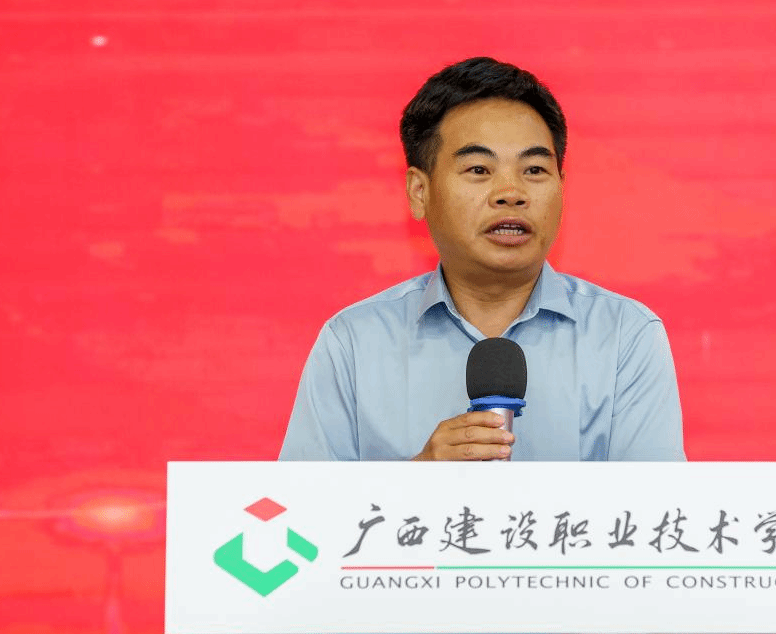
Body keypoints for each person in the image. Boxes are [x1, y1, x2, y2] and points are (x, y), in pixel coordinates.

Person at [279, 57, 684, 462]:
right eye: (478, 169)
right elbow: (300, 501)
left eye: (534, 170)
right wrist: (415, 479)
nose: (511, 193)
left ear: (561, 186)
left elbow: (657, 501)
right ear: (420, 192)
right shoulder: (353, 343)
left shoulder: (625, 337)